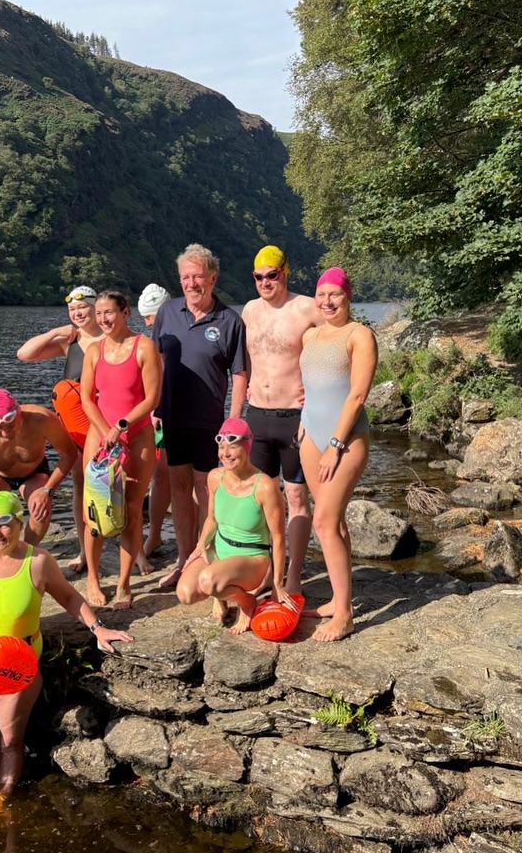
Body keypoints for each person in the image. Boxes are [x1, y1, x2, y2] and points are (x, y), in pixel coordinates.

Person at [0, 491, 132, 817]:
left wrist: (98, 628)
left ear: (20, 522)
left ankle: (1, 803)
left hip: (17, 665)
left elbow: (70, 599)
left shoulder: (38, 562)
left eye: (5, 523)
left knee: (10, 740)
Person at [151, 244, 248, 588]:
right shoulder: (167, 313)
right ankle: (183, 558)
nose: (192, 283)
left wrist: (233, 421)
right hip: (171, 419)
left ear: (213, 277)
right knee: (178, 487)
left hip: (210, 422)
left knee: (207, 489)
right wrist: (153, 407)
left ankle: (208, 555)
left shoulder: (230, 321)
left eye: (198, 276)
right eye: (186, 277)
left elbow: (239, 374)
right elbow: (155, 364)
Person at [299, 267, 378, 642]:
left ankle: (344, 615)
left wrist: (334, 445)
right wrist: (303, 424)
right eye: (322, 295)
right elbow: (311, 388)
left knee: (324, 522)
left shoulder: (359, 335)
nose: (327, 302)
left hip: (344, 441)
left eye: (335, 295)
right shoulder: (311, 335)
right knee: (335, 523)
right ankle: (338, 596)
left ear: (348, 297)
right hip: (310, 438)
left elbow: (357, 396)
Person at [241, 245, 324, 594]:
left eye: (271, 275)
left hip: (294, 416)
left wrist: (319, 392)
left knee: (295, 497)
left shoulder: (307, 307)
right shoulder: (248, 310)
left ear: (284, 273)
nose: (264, 282)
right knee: (261, 498)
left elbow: (339, 343)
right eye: (258, 277)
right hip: (257, 415)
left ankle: (293, 575)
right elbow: (245, 359)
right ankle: (268, 571)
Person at [80, 291, 161, 608]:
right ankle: (93, 579)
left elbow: (151, 398)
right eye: (98, 313)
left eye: (109, 313)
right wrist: (104, 431)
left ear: (125, 312)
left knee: (131, 510)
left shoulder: (144, 347)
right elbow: (87, 397)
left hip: (137, 437)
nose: (103, 319)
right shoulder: (94, 351)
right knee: (95, 512)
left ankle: (124, 585)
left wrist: (121, 427)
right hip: (99, 438)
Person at [16, 285, 104, 573]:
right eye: (73, 310)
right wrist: (57, 331)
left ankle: (134, 549)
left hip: (104, 420)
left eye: (83, 308)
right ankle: (83, 549)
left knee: (112, 485)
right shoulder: (71, 342)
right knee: (80, 485)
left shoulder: (109, 340)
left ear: (95, 308)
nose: (78, 313)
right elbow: (24, 354)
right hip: (75, 423)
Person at [175, 418, 289, 635]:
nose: (225, 453)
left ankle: (246, 602)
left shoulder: (264, 486)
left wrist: (277, 584)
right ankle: (222, 595)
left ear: (247, 446)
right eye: (221, 446)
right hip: (219, 550)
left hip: (251, 558)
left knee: (208, 581)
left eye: (233, 446)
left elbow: (279, 538)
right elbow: (212, 518)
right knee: (185, 594)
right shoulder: (215, 477)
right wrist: (200, 547)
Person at [0, 389, 78, 557]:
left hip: (33, 472)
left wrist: (48, 490)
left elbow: (69, 454)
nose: (6, 433)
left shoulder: (42, 419)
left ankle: (23, 553)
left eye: (11, 425)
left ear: (19, 413)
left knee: (40, 510)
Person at [136, 282, 172, 573]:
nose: (148, 322)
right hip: (162, 414)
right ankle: (156, 534)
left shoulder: (172, 333)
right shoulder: (153, 339)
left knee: (184, 479)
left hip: (176, 414)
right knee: (161, 477)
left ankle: (162, 534)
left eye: (150, 317)